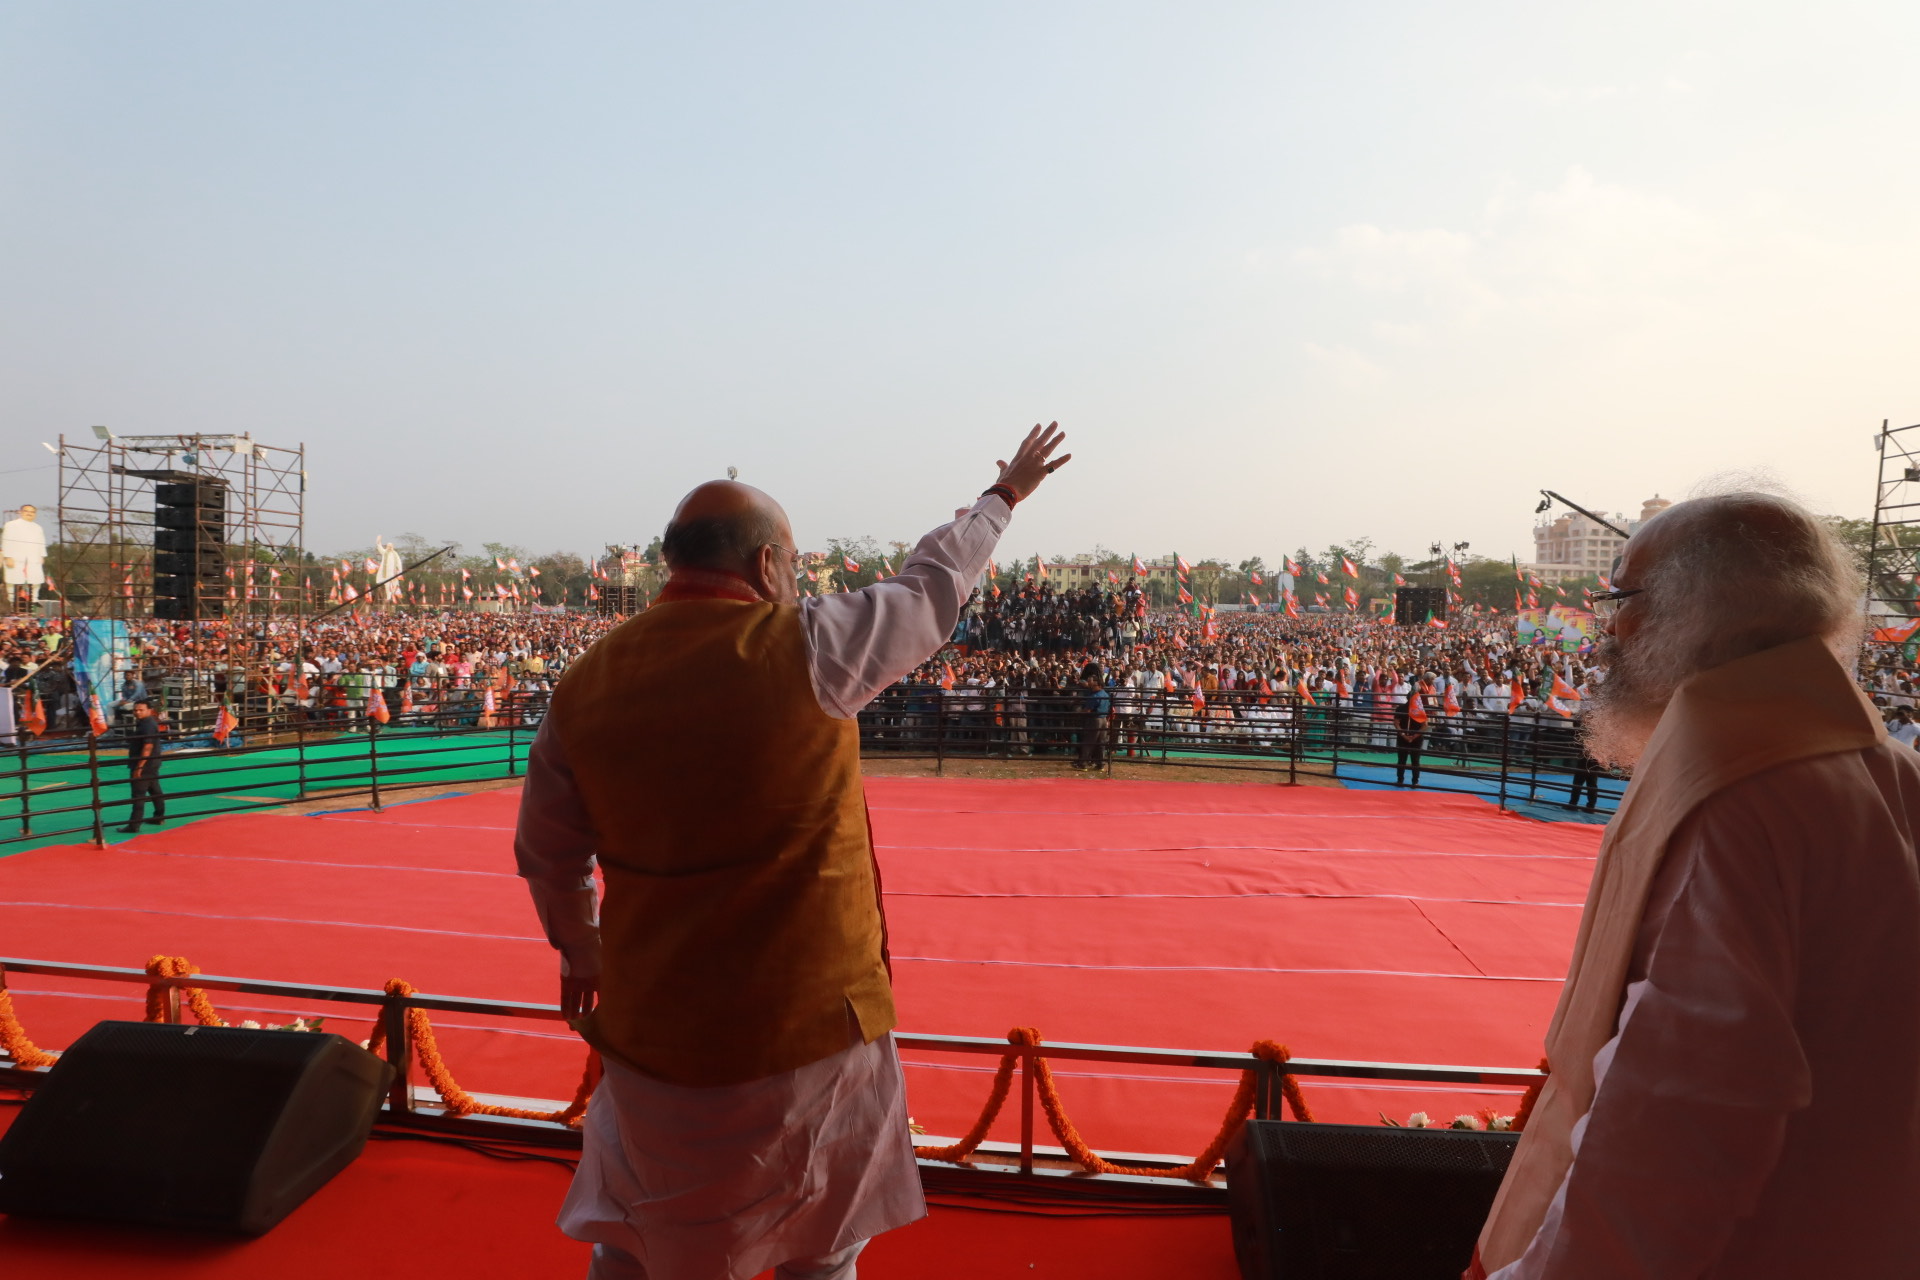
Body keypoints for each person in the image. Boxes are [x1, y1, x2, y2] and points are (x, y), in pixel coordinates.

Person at [514, 422, 1071, 1280]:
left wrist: (578, 947)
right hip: (808, 1021)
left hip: (655, 1021)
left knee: (636, 1234)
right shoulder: (810, 645)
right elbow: (930, 588)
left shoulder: (587, 679)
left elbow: (547, 849)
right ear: (768, 566)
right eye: (797, 565)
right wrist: (1001, 500)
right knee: (819, 1242)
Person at [1473, 489, 1920, 1279]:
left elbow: (1676, 1122)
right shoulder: (1886, 769)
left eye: (1621, 598)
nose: (1608, 629)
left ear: (1690, 610)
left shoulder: (1732, 798)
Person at [119, 697, 166, 833]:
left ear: (149, 711)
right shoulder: (146, 722)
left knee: (138, 794)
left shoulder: (147, 725)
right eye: (135, 710)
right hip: (152, 763)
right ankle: (159, 816)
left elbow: (147, 746)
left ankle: (134, 825)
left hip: (145, 764)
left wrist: (139, 766)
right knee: (154, 790)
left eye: (141, 710)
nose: (137, 712)